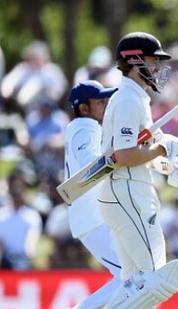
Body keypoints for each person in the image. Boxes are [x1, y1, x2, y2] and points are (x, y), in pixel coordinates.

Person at [97, 32, 178, 309]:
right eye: (153, 61)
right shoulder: (128, 100)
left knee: (134, 282)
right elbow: (126, 155)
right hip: (128, 191)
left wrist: (170, 164)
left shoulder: (135, 99)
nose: (158, 69)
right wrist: (161, 150)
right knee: (155, 280)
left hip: (125, 190)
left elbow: (138, 154)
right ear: (134, 61)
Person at [63, 80, 123, 308]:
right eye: (100, 101)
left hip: (95, 216)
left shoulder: (86, 128)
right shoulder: (84, 127)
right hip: (91, 219)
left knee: (132, 276)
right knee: (128, 277)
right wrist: (121, 157)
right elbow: (91, 166)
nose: (106, 104)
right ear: (84, 108)